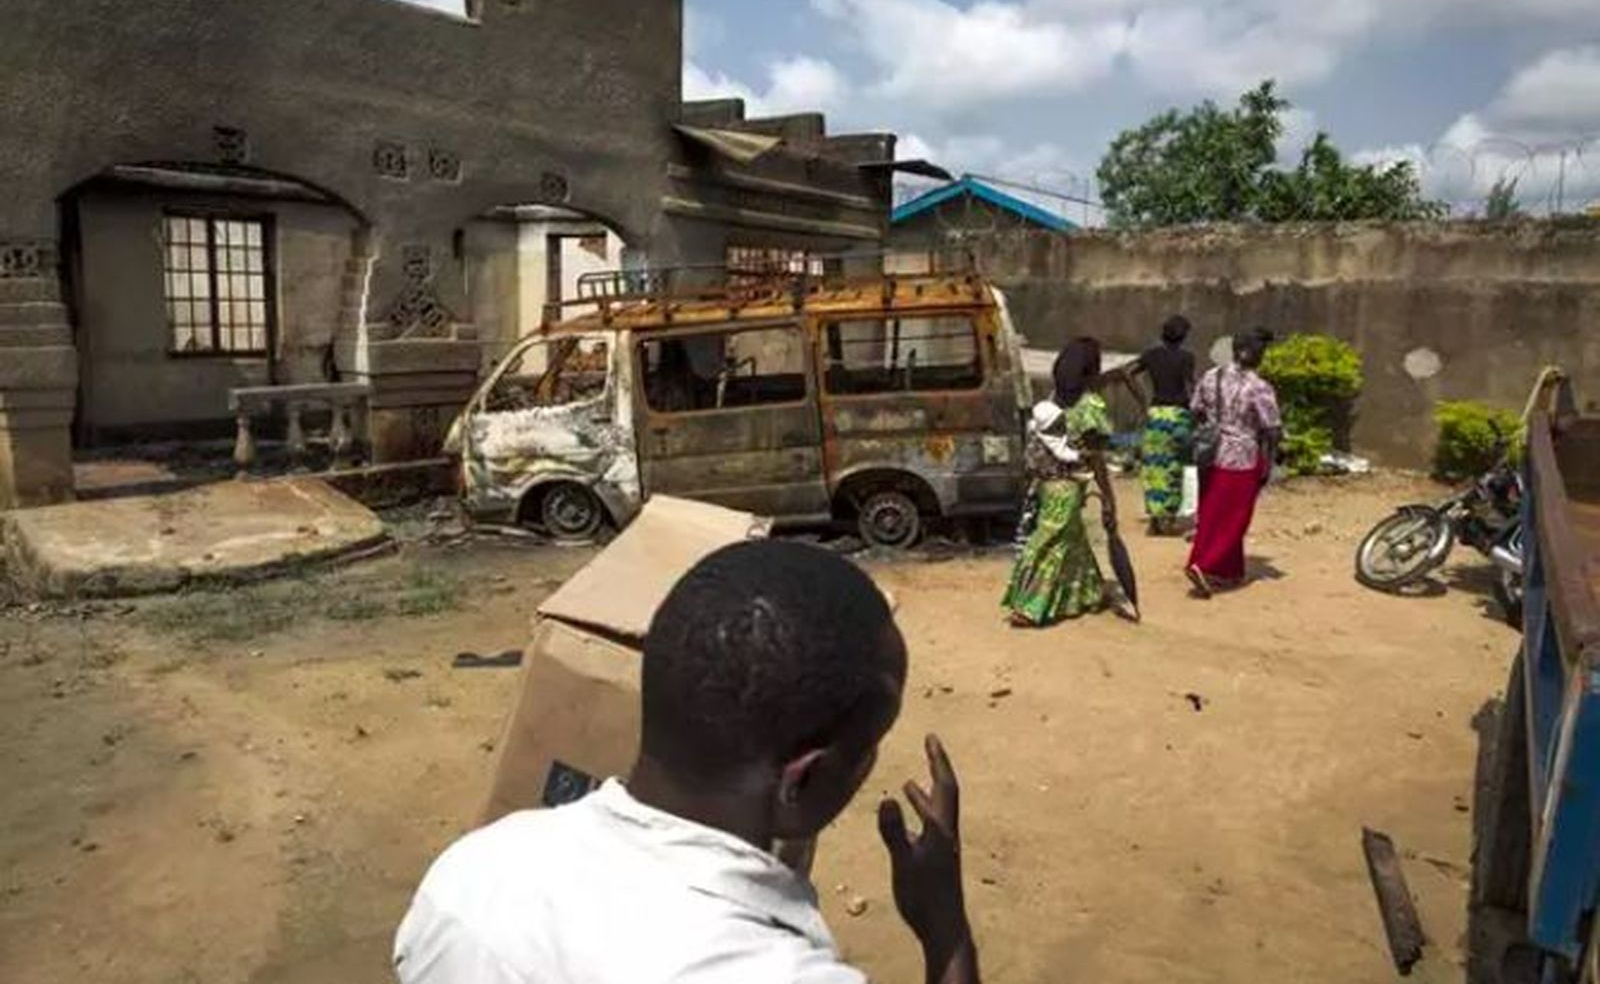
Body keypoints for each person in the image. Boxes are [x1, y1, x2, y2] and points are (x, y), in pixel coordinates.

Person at [393, 541, 979, 984]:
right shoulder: (778, 972)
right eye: (869, 747)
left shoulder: (474, 869)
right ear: (804, 780)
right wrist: (945, 929)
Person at [1003, 337, 1118, 627]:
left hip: (1045, 484)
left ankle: (1089, 592)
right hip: (1067, 487)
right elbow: (1096, 458)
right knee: (1048, 542)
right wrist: (1108, 499)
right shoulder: (1090, 406)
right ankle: (1029, 607)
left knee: (1073, 539)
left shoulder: (1054, 399)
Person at [1186, 329, 1283, 597]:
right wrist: (1270, 462)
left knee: (1211, 511)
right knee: (1235, 517)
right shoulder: (1258, 387)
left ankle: (1228, 570)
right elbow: (1272, 428)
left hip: (1210, 453)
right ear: (1249, 353)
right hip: (1242, 457)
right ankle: (1204, 565)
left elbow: (1195, 410)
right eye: (1261, 351)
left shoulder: (1210, 376)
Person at [1127, 315, 1198, 536]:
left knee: (1154, 467)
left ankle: (1156, 518)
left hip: (1156, 414)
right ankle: (1169, 518)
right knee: (1175, 467)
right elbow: (1189, 387)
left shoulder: (1151, 355)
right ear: (1184, 335)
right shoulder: (1187, 357)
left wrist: (1142, 400)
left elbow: (1127, 373)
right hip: (1178, 415)